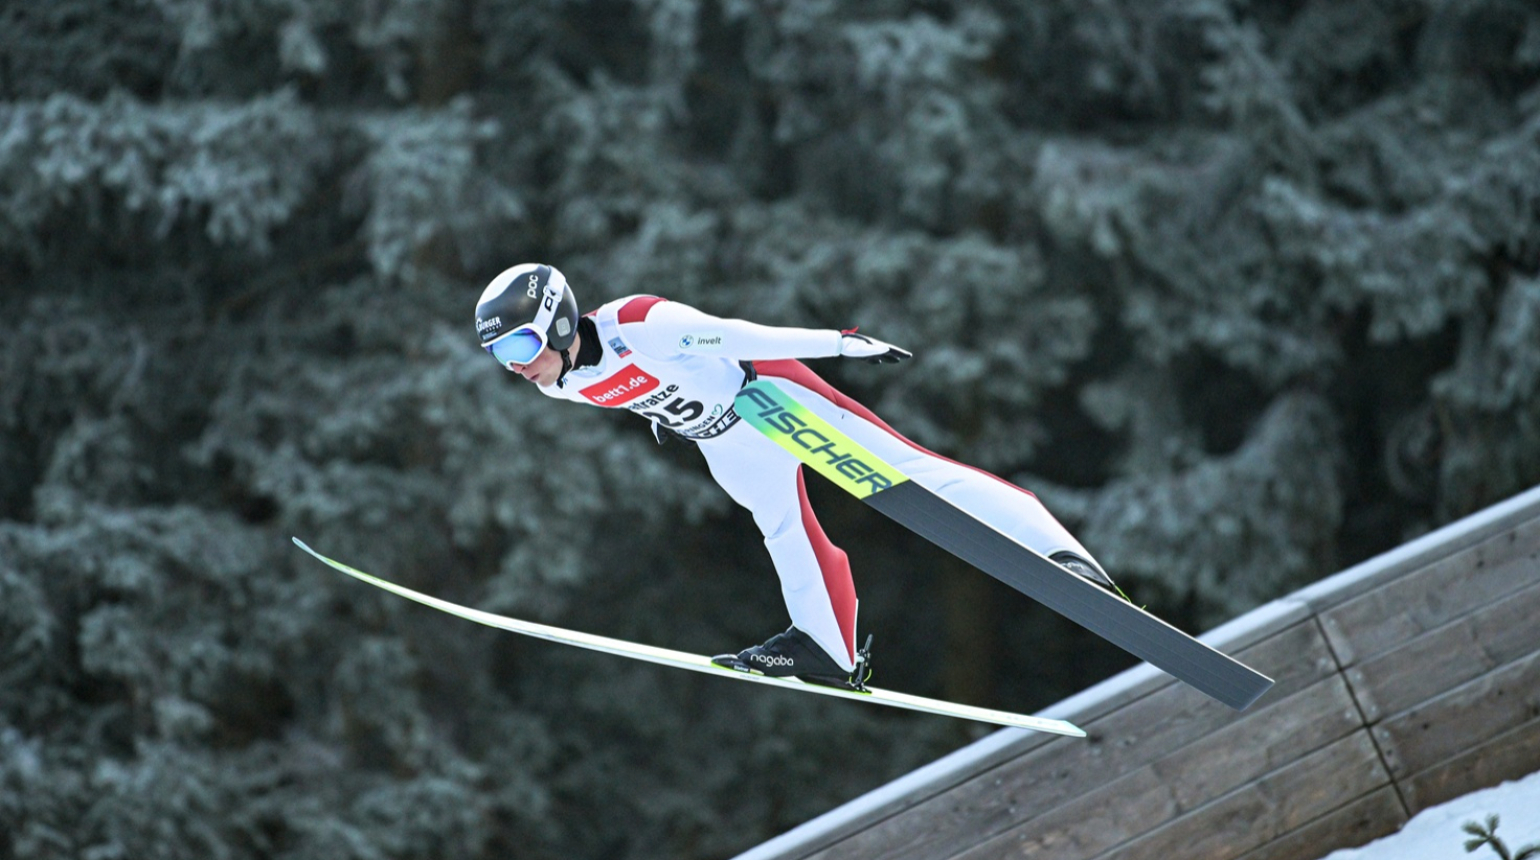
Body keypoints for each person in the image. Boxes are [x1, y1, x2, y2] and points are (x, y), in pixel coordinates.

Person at [475, 263, 1115, 690]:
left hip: (769, 396)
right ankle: (829, 649)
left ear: (559, 321)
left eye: (519, 347)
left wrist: (839, 343)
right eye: (500, 356)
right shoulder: (560, 383)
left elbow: (737, 336)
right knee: (783, 528)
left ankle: (1058, 552)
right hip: (724, 442)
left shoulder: (641, 325)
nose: (515, 367)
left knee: (909, 471)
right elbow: (646, 392)